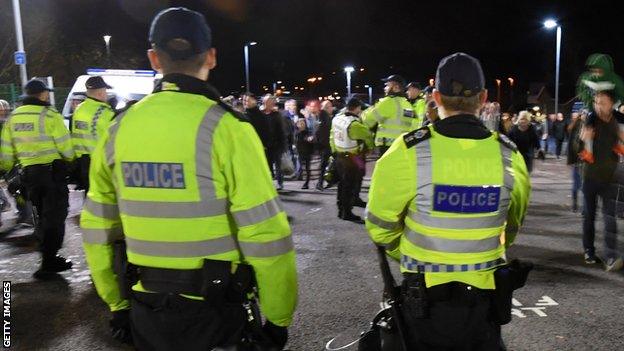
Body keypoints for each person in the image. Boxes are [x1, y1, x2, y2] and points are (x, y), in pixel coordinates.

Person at [80, 8, 297, 350]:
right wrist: (278, 317)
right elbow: (266, 233)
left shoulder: (118, 128)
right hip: (217, 312)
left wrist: (116, 304)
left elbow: (97, 228)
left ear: (154, 59)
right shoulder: (229, 128)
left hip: (146, 308)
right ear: (210, 57)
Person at [365, 53, 530, 350]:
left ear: (436, 97)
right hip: (484, 302)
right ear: (483, 98)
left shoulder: (407, 151)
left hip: (424, 303)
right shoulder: (509, 155)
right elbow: (513, 224)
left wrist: (406, 254)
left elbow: (379, 226)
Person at [0, 79, 75, 277]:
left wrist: (5, 170)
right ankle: (49, 259)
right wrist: (71, 161)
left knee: (40, 216)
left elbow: (7, 152)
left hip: (29, 177)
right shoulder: (49, 115)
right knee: (55, 216)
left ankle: (47, 257)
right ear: (41, 95)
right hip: (51, 176)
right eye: (46, 93)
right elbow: (66, 147)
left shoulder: (13, 117)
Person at [580, 90, 623, 271]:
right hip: (590, 177)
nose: (598, 105)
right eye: (596, 102)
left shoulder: (615, 122)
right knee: (590, 216)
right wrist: (583, 140)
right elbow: (579, 141)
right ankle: (589, 250)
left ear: (611, 103)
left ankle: (610, 255)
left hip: (610, 178)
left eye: (602, 102)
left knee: (610, 217)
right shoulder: (591, 120)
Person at [330, 97, 373, 223]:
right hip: (352, 159)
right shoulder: (354, 124)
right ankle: (346, 212)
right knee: (349, 187)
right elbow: (368, 136)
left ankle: (340, 209)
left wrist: (334, 151)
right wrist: (370, 147)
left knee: (342, 186)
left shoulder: (337, 118)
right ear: (358, 108)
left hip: (339, 156)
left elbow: (332, 136)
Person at [71, 76, 115, 194]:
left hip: (82, 163)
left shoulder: (79, 109)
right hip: (99, 163)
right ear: (100, 93)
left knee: (90, 198)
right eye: (105, 91)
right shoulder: (105, 112)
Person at [577, 53, 624, 163]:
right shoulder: (586, 78)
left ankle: (620, 145)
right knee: (588, 125)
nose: (597, 73)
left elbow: (621, 94)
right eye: (595, 70)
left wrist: (613, 105)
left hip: (610, 171)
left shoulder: (615, 80)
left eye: (600, 71)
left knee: (622, 121)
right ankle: (588, 152)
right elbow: (582, 91)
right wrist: (591, 104)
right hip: (593, 173)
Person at [362, 74, 414, 156]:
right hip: (403, 145)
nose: (385, 88)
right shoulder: (407, 104)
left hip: (387, 146)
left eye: (387, 85)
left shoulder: (388, 101)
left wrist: (366, 112)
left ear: (396, 87)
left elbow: (368, 120)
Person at [262, 94, 286, 190]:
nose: (270, 103)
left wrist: (283, 145)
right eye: (268, 101)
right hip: (265, 145)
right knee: (267, 165)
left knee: (278, 165)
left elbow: (282, 130)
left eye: (271, 102)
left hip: (277, 145)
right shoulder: (260, 114)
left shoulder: (277, 114)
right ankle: (269, 182)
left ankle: (280, 183)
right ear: (264, 102)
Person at [295, 102, 318, 189]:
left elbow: (310, 141)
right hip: (300, 152)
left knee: (307, 168)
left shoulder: (307, 132)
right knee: (303, 167)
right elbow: (296, 142)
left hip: (307, 152)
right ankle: (303, 178)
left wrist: (310, 140)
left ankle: (306, 182)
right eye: (299, 124)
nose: (301, 125)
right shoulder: (297, 133)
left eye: (303, 124)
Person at [567, 111, 586, 212]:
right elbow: (574, 145)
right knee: (580, 184)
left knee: (580, 184)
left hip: (581, 160)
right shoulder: (578, 127)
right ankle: (578, 206)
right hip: (581, 160)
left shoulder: (576, 126)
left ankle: (579, 207)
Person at [316, 100, 333, 190]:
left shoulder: (325, 116)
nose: (332, 108)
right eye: (330, 106)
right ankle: (320, 183)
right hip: (326, 145)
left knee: (328, 164)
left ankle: (327, 181)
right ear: (326, 107)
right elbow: (322, 132)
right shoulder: (323, 117)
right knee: (324, 165)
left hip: (326, 145)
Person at [282, 99, 301, 178]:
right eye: (292, 105)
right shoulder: (285, 116)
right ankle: (292, 172)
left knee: (297, 156)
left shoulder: (298, 116)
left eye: (295, 105)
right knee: (291, 156)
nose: (294, 107)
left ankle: (297, 173)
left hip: (297, 139)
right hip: (289, 140)